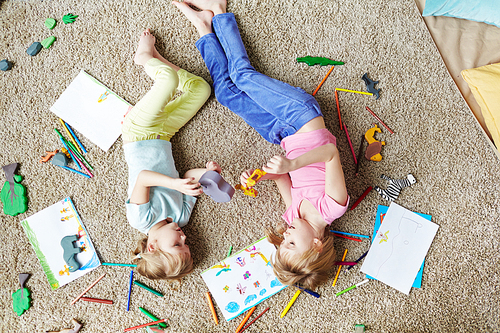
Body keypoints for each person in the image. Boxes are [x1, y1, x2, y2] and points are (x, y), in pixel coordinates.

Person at [172, 0, 349, 289]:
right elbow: (330, 152)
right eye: (292, 241)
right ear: (317, 245)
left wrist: (256, 178)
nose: (286, 232)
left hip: (281, 133)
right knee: (243, 77)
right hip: (302, 117)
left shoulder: (292, 214)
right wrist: (292, 164)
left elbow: (278, 176)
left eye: (284, 241)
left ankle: (204, 29)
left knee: (227, 94)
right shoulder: (332, 207)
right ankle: (219, 12)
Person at [122, 28, 219, 281]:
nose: (184, 237)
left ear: (152, 246)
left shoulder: (139, 218)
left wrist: (175, 184)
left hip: (138, 133)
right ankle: (156, 57)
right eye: (187, 243)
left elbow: (143, 177)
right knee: (201, 89)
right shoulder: (182, 217)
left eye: (178, 244)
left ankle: (143, 57)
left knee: (166, 81)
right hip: (164, 135)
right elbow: (189, 177)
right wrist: (207, 174)